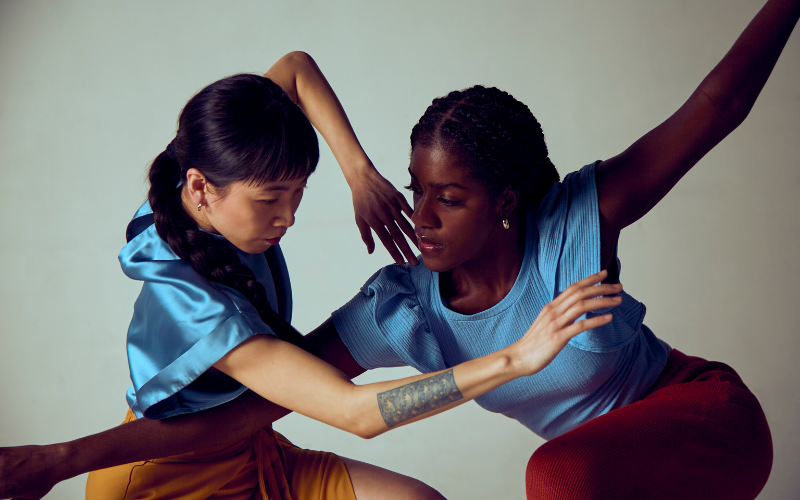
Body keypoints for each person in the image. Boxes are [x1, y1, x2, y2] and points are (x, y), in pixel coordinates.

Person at [2, 0, 797, 498]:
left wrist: (359, 173)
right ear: (203, 189)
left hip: (699, 416)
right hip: (606, 479)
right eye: (415, 191)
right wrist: (63, 458)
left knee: (553, 477)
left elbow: (718, 106)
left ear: (507, 203)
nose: (420, 216)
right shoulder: (400, 308)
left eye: (447, 198)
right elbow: (278, 411)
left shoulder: (572, 221)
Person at [0, 51, 619, 500]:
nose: (289, 218)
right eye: (271, 200)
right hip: (168, 482)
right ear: (202, 189)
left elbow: (293, 71)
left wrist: (359, 174)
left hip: (255, 453)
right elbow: (356, 413)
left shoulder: (198, 170)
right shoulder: (199, 312)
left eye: (297, 193)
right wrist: (516, 358)